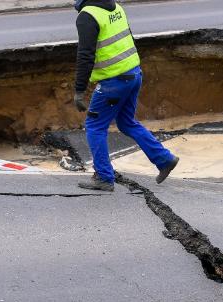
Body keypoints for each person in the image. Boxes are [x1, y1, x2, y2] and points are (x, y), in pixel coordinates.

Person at [72, 0, 179, 192]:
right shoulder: (115, 6)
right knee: (126, 122)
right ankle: (164, 159)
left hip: (114, 82)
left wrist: (79, 91)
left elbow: (85, 55)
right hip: (133, 74)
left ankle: (104, 177)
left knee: (95, 127)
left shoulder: (88, 16)